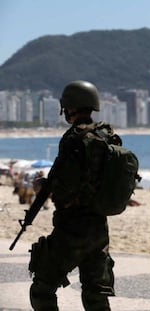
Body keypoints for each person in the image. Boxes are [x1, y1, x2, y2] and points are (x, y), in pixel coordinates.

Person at [28, 80, 115, 310]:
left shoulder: (74, 139)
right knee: (96, 296)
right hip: (99, 229)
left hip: (73, 228)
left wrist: (44, 187)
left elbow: (64, 185)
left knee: (42, 289)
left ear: (70, 107)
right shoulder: (106, 136)